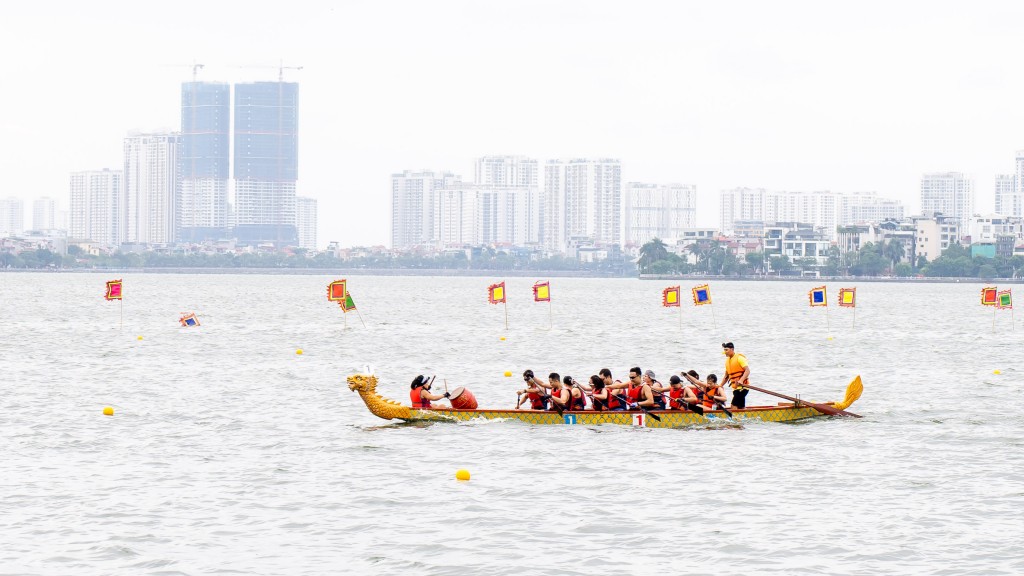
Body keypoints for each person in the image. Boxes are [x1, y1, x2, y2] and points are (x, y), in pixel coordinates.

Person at [721, 342, 751, 409]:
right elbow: (726, 376)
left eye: (726, 350)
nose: (725, 352)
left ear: (732, 349)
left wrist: (741, 380)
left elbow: (747, 370)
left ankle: (734, 419)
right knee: (741, 407)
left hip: (743, 388)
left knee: (733, 406)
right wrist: (720, 385)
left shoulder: (739, 358)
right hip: (735, 388)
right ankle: (747, 417)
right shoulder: (727, 361)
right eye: (724, 350)